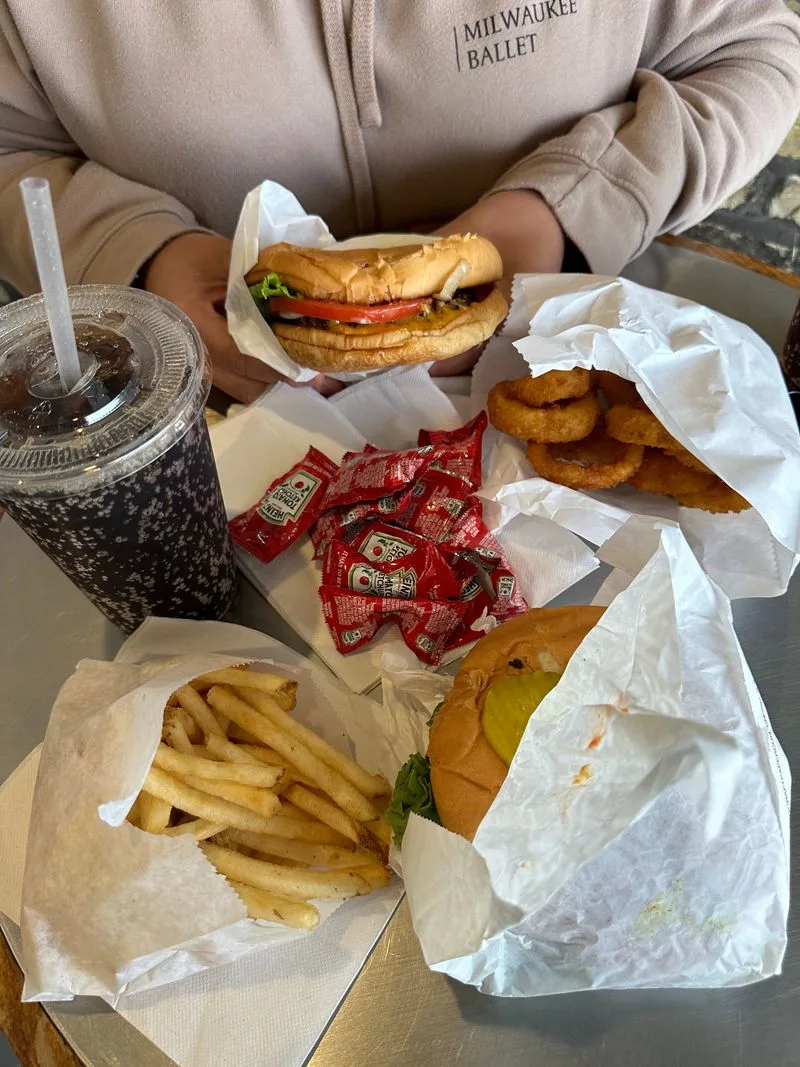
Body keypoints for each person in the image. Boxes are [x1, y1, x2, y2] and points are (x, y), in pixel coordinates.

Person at [0, 1, 797, 402]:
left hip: (586, 351)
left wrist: (566, 211)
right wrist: (140, 256)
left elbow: (751, 51)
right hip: (192, 405)